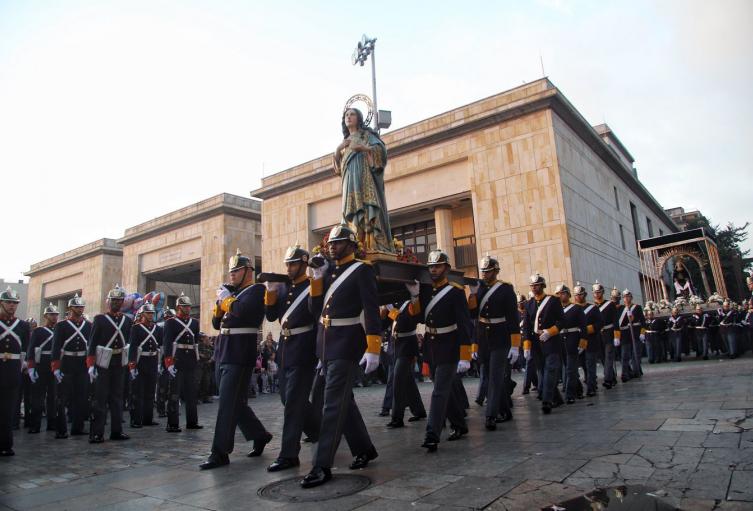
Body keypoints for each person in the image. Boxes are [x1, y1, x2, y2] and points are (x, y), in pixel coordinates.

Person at [300, 225, 381, 488]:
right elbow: (315, 311)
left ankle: (322, 465)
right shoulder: (330, 272)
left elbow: (371, 309)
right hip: (326, 345)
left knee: (331, 405)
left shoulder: (362, 269)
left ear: (352, 244)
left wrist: (373, 347)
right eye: (331, 243)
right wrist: (316, 279)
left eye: (338, 243)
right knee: (341, 400)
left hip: (347, 344)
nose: (332, 247)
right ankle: (364, 448)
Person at [200, 249, 272, 470]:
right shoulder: (234, 294)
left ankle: (220, 452)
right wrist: (220, 304)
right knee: (235, 403)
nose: (232, 274)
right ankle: (259, 435)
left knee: (226, 404)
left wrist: (227, 300)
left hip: (240, 352)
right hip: (224, 350)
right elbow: (215, 323)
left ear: (248, 271)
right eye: (231, 271)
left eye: (237, 270)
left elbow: (244, 311)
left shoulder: (256, 290)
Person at [407, 249, 473, 452]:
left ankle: (432, 434)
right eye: (431, 266)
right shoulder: (426, 290)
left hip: (450, 345)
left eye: (437, 266)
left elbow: (465, 324)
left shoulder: (455, 291)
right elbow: (417, 318)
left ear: (446, 268)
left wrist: (465, 354)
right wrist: (415, 296)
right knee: (445, 388)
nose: (434, 270)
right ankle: (459, 424)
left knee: (439, 391)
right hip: (431, 345)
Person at [263, 245, 320, 472]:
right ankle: (317, 430)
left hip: (304, 348)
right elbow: (270, 316)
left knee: (293, 403)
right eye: (287, 264)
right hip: (286, 349)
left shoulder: (311, 286)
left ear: (304, 264)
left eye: (293, 264)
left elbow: (315, 313)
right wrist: (270, 293)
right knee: (287, 398)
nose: (289, 268)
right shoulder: (284, 288)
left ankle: (289, 454)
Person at [468, 255, 520, 430]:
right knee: (489, 376)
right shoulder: (479, 288)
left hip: (501, 337)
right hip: (483, 338)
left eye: (488, 271)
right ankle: (506, 410)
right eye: (483, 271)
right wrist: (473, 295)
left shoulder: (506, 289)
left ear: (496, 271)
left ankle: (491, 415)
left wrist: (515, 345)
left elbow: (513, 318)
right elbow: (473, 316)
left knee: (496, 376)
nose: (484, 274)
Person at [333, 107, 392, 254]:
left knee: (366, 209)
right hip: (349, 181)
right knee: (351, 211)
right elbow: (338, 169)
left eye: (352, 114)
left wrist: (363, 148)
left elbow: (380, 150)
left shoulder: (366, 135)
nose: (349, 117)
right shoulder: (344, 142)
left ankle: (370, 245)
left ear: (358, 118)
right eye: (346, 115)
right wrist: (337, 150)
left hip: (363, 177)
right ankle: (355, 244)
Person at [88, 285, 132, 443]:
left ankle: (116, 431)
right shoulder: (100, 319)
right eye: (114, 300)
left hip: (119, 362)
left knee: (117, 398)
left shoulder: (127, 321)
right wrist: (91, 365)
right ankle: (96, 432)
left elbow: (128, 341)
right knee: (100, 399)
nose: (117, 303)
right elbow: (92, 343)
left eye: (120, 300)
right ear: (109, 301)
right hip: (102, 363)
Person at [523, 274, 564, 414]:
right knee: (542, 371)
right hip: (536, 343)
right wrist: (527, 346)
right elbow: (527, 327)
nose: (534, 288)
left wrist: (550, 331)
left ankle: (547, 401)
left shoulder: (553, 301)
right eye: (532, 286)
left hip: (551, 341)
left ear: (543, 285)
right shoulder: (528, 304)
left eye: (537, 285)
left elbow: (561, 321)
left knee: (550, 370)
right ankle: (557, 398)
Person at [50, 294, 91, 439]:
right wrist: (55, 367)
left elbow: (90, 347)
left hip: (82, 364)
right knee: (62, 398)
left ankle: (77, 427)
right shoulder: (61, 326)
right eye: (77, 307)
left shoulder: (88, 325)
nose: (79, 309)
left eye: (81, 307)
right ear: (70, 308)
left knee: (81, 397)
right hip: (66, 362)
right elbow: (56, 348)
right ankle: (61, 429)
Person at [384, 299, 427, 429]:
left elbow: (406, 322)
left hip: (408, 345)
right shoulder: (395, 303)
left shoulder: (411, 303)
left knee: (397, 379)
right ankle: (419, 411)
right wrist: (384, 310)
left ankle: (397, 418)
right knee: (408, 382)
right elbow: (383, 324)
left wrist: (392, 311)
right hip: (397, 345)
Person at [164, 293, 201, 432]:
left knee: (192, 394)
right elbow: (167, 343)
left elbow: (195, 342)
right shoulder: (171, 322)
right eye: (185, 306)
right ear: (179, 307)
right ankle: (172, 423)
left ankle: (192, 421)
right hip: (177, 360)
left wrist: (196, 361)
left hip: (190, 361)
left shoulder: (195, 322)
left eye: (189, 306)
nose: (188, 308)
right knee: (174, 393)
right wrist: (169, 363)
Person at [0, 287, 31, 456]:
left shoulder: (23, 325)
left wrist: (25, 364)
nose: (12, 306)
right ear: (1, 303)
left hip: (12, 370)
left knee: (8, 409)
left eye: (14, 303)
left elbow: (25, 348)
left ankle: (5, 444)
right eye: (9, 302)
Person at [127, 303, 162, 428]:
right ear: (142, 314)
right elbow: (132, 348)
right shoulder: (136, 328)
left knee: (150, 392)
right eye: (148, 313)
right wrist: (132, 365)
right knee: (137, 393)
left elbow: (160, 346)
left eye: (152, 313)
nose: (151, 315)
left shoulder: (157, 329)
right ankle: (136, 419)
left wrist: (160, 363)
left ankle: (148, 418)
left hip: (152, 361)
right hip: (140, 361)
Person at [26, 303, 59, 433]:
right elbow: (31, 350)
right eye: (51, 314)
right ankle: (35, 425)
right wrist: (31, 367)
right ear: (46, 316)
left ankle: (52, 423)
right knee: (38, 397)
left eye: (56, 315)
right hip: (41, 366)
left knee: (53, 396)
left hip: (54, 366)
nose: (54, 317)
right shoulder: (38, 331)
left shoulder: (59, 329)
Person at [554, 284, 587, 405]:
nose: (560, 296)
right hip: (560, 340)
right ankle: (578, 389)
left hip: (573, 339)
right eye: (558, 294)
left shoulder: (576, 308)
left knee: (570, 369)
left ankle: (569, 395)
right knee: (569, 367)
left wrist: (582, 342)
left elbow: (583, 326)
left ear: (568, 294)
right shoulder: (555, 310)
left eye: (562, 293)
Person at [572, 283, 602, 397]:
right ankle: (587, 382)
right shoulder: (573, 309)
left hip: (591, 340)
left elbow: (600, 323)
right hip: (578, 341)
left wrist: (587, 329)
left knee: (590, 364)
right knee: (583, 365)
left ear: (584, 295)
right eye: (576, 295)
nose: (578, 297)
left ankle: (591, 387)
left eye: (580, 294)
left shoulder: (593, 308)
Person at [592, 282, 619, 389]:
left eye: (599, 292)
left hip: (609, 333)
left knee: (608, 357)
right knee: (603, 358)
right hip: (598, 335)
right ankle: (612, 377)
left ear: (602, 292)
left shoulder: (610, 304)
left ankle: (607, 379)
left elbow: (615, 320)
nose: (597, 294)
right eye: (595, 292)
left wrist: (617, 335)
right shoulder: (593, 307)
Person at [617, 290, 645, 379]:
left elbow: (643, 321)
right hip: (626, 334)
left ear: (631, 297)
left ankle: (636, 371)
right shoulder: (621, 309)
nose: (626, 298)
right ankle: (630, 372)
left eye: (628, 296)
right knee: (626, 355)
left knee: (636, 354)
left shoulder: (637, 307)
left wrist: (642, 332)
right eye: (624, 297)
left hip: (636, 332)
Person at [155, 306, 175, 418]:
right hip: (162, 357)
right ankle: (161, 409)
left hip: (173, 356)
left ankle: (172, 408)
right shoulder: (159, 328)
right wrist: (158, 363)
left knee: (172, 386)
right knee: (162, 386)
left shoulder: (176, 326)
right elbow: (158, 346)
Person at [196, 333, 214, 403]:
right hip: (199, 366)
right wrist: (209, 357)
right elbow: (201, 355)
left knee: (207, 382)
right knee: (198, 382)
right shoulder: (199, 346)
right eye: (206, 338)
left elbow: (213, 353)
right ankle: (197, 398)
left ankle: (205, 397)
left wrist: (211, 358)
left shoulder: (209, 346)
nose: (208, 339)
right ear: (202, 339)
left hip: (207, 366)